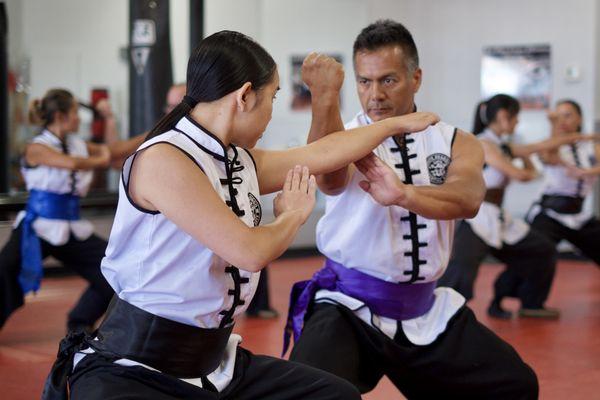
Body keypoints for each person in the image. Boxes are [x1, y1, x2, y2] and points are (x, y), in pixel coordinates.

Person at [42, 30, 439, 400]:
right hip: (139, 367)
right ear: (246, 96)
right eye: (274, 98)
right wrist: (291, 216)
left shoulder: (238, 161)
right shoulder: (165, 159)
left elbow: (325, 153)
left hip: (214, 362)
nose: (271, 113)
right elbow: (248, 251)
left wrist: (395, 125)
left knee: (335, 395)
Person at [286, 20, 538, 399]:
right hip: (349, 310)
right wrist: (324, 97)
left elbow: (468, 200)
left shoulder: (456, 140)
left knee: (514, 384)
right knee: (306, 393)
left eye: (388, 80)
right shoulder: (346, 138)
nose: (375, 95)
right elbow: (331, 182)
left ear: (415, 78)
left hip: (426, 312)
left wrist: (404, 195)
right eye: (364, 81)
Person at [439, 94, 587, 319]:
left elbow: (540, 146)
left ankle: (530, 303)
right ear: (503, 116)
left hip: (496, 215)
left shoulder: (502, 145)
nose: (518, 122)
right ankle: (443, 317)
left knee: (541, 250)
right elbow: (519, 174)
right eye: (516, 117)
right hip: (476, 216)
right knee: (460, 273)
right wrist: (528, 170)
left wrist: (582, 136)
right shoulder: (483, 144)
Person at [0, 89, 115, 333]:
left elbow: (117, 150)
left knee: (113, 268)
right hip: (37, 226)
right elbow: (72, 163)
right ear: (61, 116)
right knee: (5, 269)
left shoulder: (75, 144)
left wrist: (164, 129)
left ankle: (80, 321)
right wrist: (102, 157)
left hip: (70, 226)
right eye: (74, 112)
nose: (78, 118)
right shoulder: (36, 148)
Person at [526, 100, 600, 265]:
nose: (562, 121)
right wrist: (553, 127)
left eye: (567, 115)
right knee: (537, 258)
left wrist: (586, 172)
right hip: (550, 214)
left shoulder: (590, 146)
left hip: (577, 215)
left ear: (579, 119)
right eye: (558, 117)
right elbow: (549, 157)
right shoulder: (550, 145)